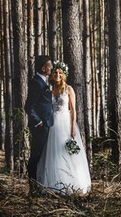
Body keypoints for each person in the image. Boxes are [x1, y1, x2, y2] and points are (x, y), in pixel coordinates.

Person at [36, 61, 91, 195]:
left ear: (64, 75)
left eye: (60, 73)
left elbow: (73, 110)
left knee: (67, 151)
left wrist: (72, 127)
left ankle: (72, 183)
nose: (57, 75)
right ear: (52, 74)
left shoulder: (69, 89)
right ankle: (54, 183)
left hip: (65, 123)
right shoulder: (49, 89)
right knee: (53, 153)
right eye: (55, 72)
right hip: (52, 123)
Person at [24, 54, 53, 193]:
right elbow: (28, 106)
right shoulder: (36, 82)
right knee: (36, 156)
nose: (51, 67)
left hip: (48, 125)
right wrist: (39, 121)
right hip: (40, 127)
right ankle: (33, 188)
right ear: (43, 68)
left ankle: (40, 186)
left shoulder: (44, 81)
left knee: (42, 155)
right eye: (49, 65)